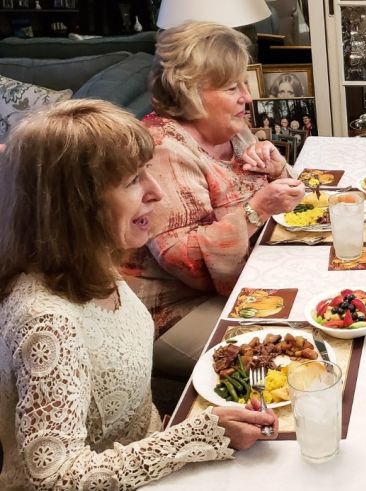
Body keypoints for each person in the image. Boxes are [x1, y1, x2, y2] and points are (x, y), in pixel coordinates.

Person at [0, 100, 278, 489]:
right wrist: (194, 436)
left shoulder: (94, 263)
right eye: (133, 180)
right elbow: (54, 479)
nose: (157, 191)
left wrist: (177, 434)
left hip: (150, 455)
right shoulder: (47, 319)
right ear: (74, 207)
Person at [122, 21, 305, 376]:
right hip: (175, 308)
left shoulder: (230, 129)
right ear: (190, 92)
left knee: (326, 309)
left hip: (245, 278)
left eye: (245, 84)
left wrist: (276, 169)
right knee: (284, 359)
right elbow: (183, 261)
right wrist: (256, 209)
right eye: (232, 87)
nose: (247, 98)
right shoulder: (163, 150)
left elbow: (295, 204)